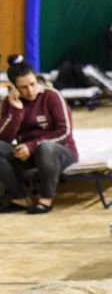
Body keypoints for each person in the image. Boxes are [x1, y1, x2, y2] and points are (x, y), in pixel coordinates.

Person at [0, 55, 78, 214]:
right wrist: (16, 111)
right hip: (27, 156)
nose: (30, 91)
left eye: (32, 84)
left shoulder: (52, 96)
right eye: (23, 87)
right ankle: (20, 198)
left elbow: (65, 132)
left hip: (59, 151)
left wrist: (31, 146)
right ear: (13, 87)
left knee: (45, 147)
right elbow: (4, 139)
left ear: (36, 79)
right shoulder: (9, 102)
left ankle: (46, 199)